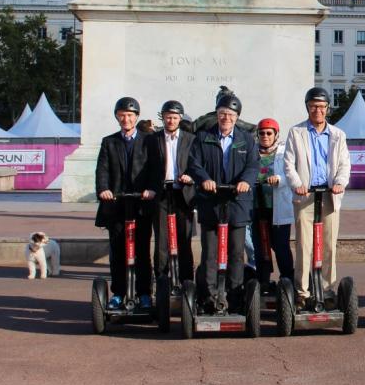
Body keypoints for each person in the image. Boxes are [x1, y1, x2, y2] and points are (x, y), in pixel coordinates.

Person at [186, 93, 257, 313]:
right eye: (222, 113)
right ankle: (209, 297)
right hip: (211, 202)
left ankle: (234, 297)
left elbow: (253, 166)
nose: (226, 117)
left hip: (237, 203)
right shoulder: (203, 137)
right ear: (217, 115)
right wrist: (205, 179)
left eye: (230, 114)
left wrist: (245, 181)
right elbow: (193, 163)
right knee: (210, 253)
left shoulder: (246, 139)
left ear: (237, 117)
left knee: (236, 252)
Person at [283, 87, 351, 305]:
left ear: (327, 109)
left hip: (330, 196)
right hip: (306, 197)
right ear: (307, 108)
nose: (318, 111)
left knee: (329, 245)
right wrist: (297, 184)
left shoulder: (338, 135)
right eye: (313, 106)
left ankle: (327, 289)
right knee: (304, 246)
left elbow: (344, 164)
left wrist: (340, 182)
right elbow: (288, 164)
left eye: (321, 107)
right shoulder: (296, 132)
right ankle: (302, 293)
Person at [95, 96, 153, 309]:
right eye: (122, 116)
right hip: (117, 205)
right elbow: (102, 170)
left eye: (129, 115)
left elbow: (153, 168)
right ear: (117, 118)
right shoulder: (109, 142)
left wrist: (151, 189)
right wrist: (104, 189)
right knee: (118, 251)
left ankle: (144, 293)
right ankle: (119, 293)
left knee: (142, 252)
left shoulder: (148, 140)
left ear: (136, 117)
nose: (126, 119)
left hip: (140, 205)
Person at [143, 100, 196, 285]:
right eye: (167, 117)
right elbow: (146, 167)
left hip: (183, 194)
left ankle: (187, 281)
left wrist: (190, 177)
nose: (171, 121)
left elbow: (196, 164)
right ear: (163, 118)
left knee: (184, 239)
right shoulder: (152, 139)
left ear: (180, 119)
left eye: (174, 118)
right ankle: (162, 279)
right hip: (161, 194)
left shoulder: (190, 139)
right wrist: (150, 187)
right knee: (162, 240)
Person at [250, 117, 294, 289]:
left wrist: (279, 179)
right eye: (261, 133)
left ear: (276, 134)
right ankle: (263, 280)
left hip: (277, 207)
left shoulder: (284, 152)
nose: (265, 136)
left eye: (269, 133)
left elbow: (292, 174)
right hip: (257, 207)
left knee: (280, 246)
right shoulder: (252, 152)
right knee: (260, 246)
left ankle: (287, 281)